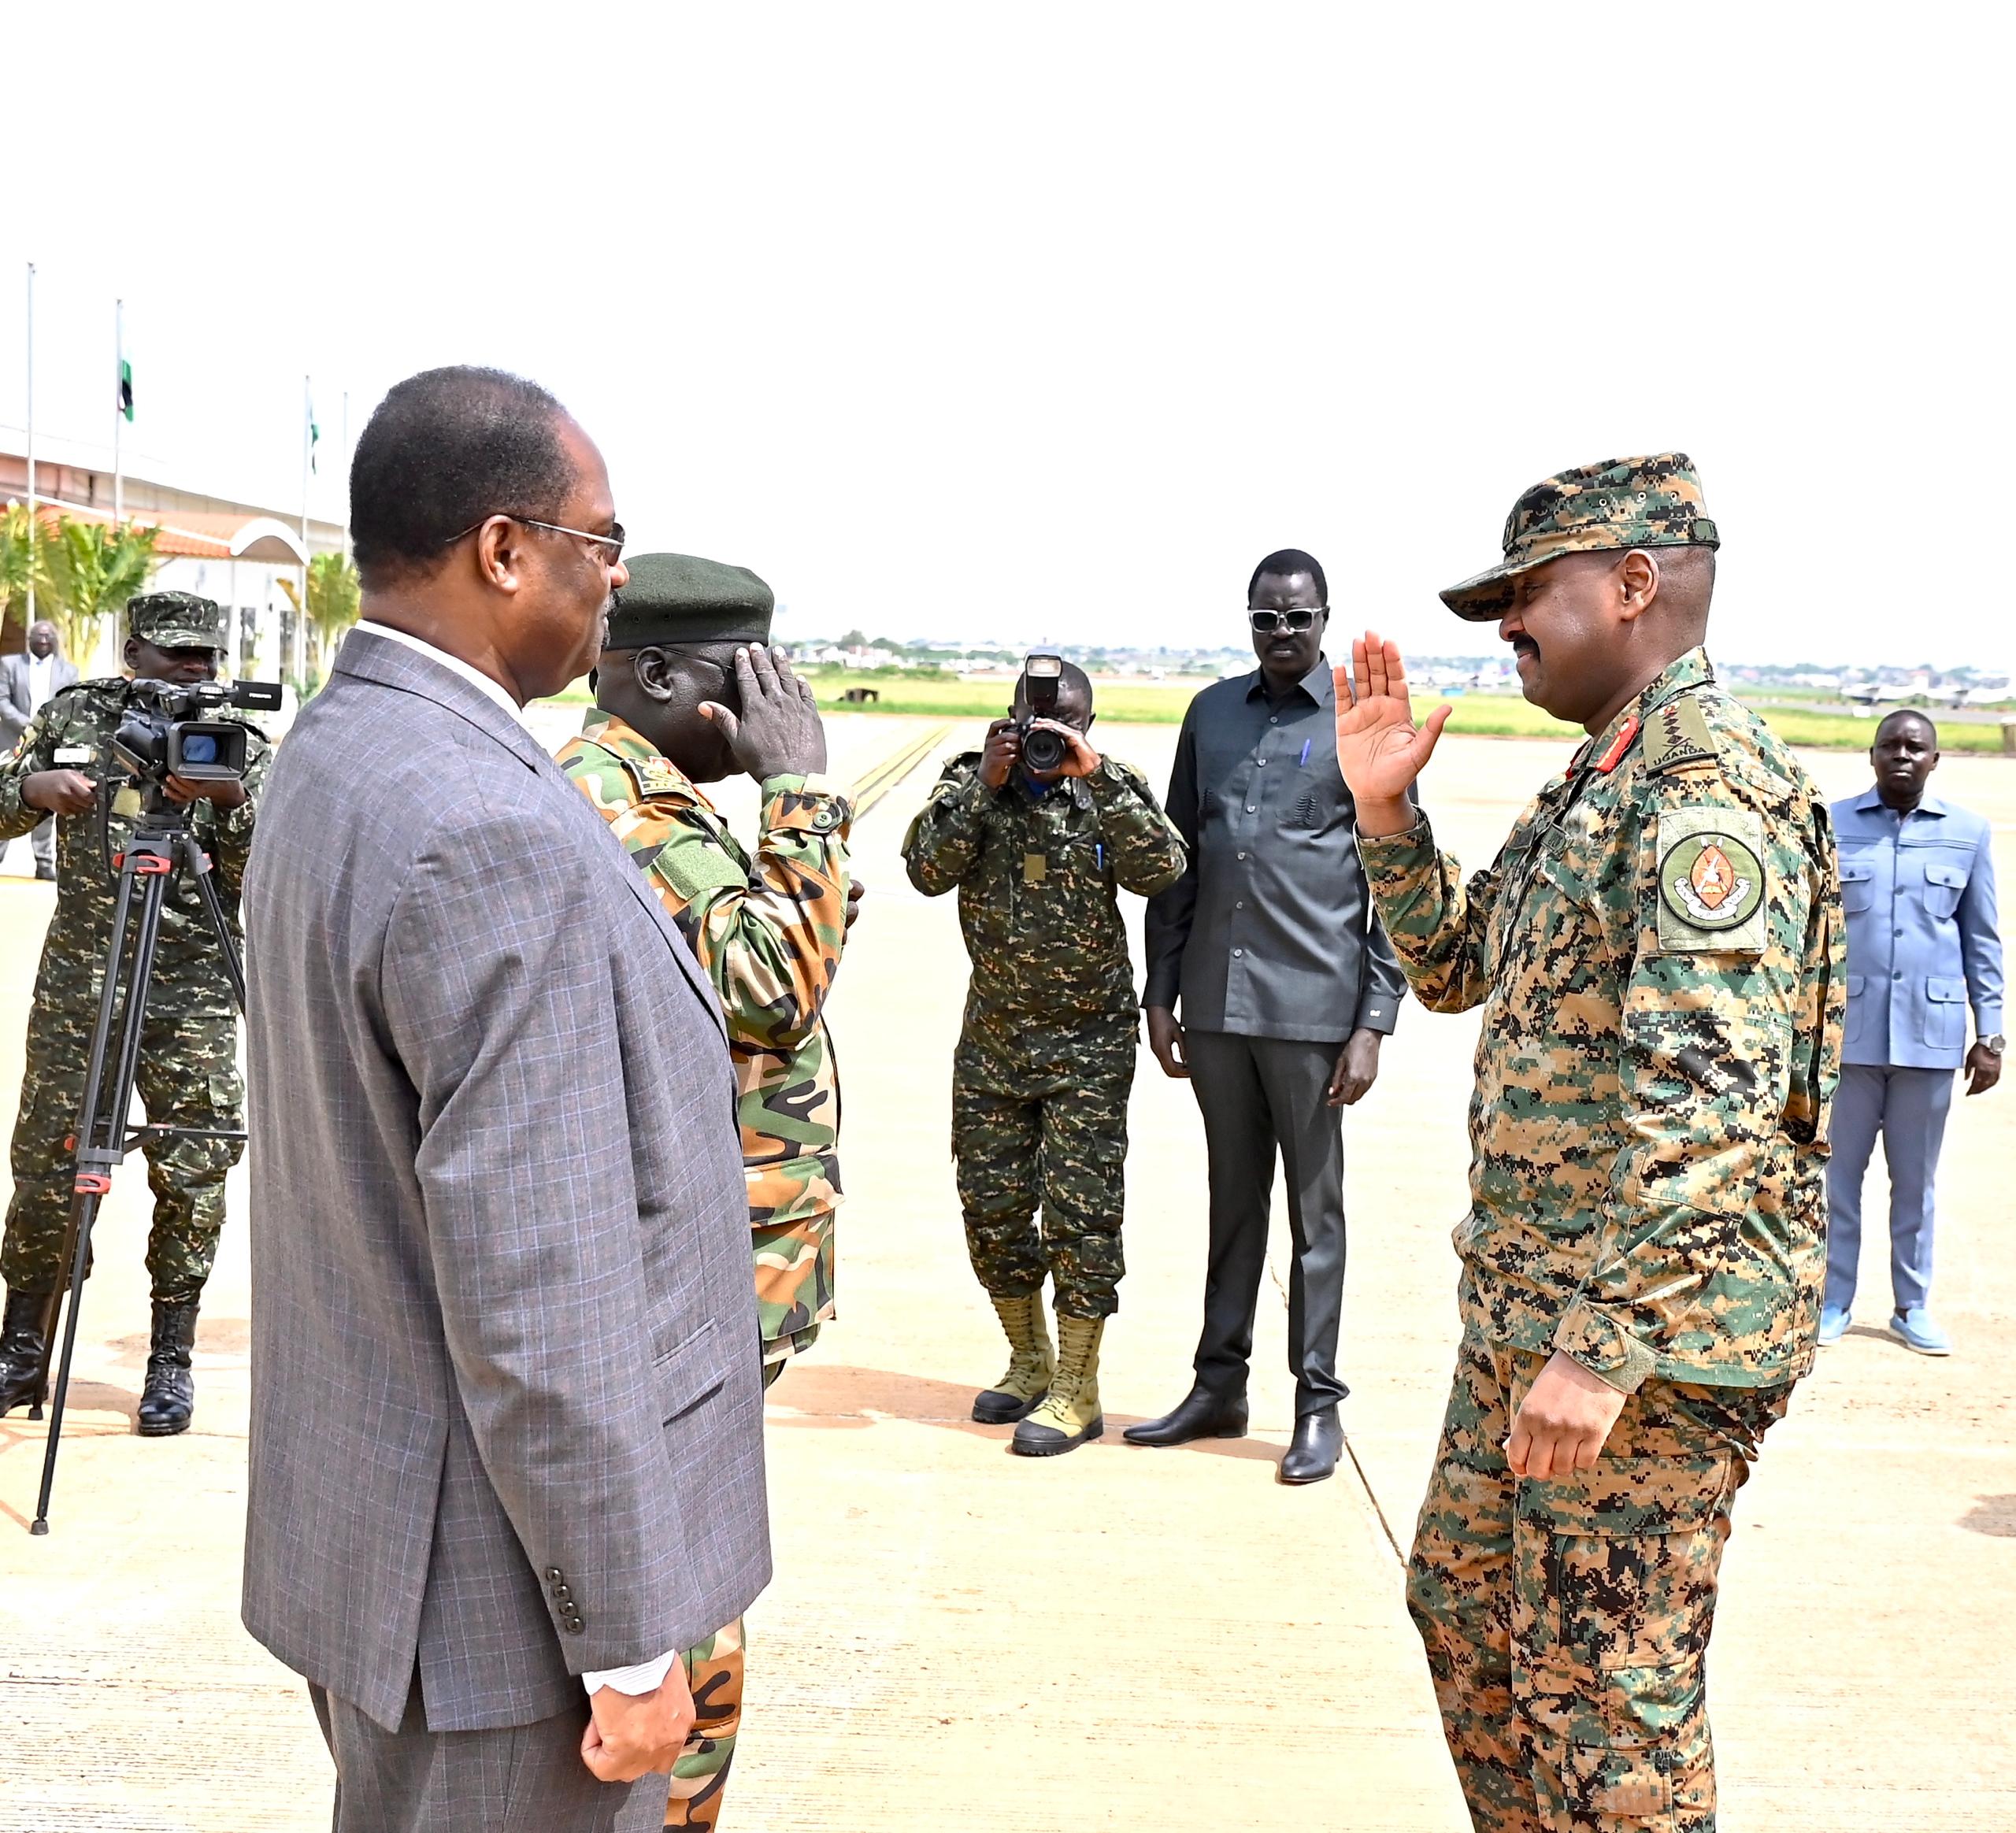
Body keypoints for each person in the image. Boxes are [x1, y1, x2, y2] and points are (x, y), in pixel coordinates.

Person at [240, 367, 769, 1833]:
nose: (611, 579)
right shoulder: (487, 825)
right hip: (497, 1617)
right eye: (599, 542)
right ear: (502, 549)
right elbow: (540, 1287)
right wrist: (627, 1642)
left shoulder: (342, 757)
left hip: (384, 1552)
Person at [1336, 454, 1843, 1831]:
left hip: (1643, 1347)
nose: (1504, 626)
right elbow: (1456, 963)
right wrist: (1387, 811)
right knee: (1467, 1613)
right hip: (1536, 1313)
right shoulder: (1597, 776)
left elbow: (1712, 1108)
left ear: (1634, 586)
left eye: (1525, 596)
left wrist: (1599, 1345)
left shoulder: (1704, 794)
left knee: (1609, 1706)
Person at [556, 552, 856, 1830]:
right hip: (677, 1307)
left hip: (709, 1295)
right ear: (665, 674)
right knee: (679, 1654)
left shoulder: (653, 796)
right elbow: (774, 985)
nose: (775, 699)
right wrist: (799, 787)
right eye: (753, 673)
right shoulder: (624, 805)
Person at [1129, 549, 1406, 1486]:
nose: (1281, 633)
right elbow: (1177, 861)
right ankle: (1218, 1387)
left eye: (1297, 618)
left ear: (1325, 618)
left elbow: (1396, 884)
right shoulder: (1210, 715)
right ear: (1247, 620)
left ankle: (1317, 1404)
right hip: (1215, 1003)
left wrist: (1372, 1021)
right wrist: (1160, 990)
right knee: (1229, 1203)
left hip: (1315, 1013)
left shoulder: (1358, 722)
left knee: (1314, 1218)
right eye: (1265, 619)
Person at [902, 661, 1186, 1455]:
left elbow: (1162, 869)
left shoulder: (1107, 786)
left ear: (1088, 728)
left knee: (1080, 1218)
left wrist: (1099, 781)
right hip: (995, 1039)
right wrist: (981, 787)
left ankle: (1079, 1387)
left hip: (1088, 1043)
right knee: (991, 1209)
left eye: (1071, 727)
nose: (1051, 742)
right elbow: (925, 872)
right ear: (1009, 723)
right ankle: (1030, 1360)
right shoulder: (971, 783)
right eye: (1039, 728)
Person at [0, 592, 265, 1435]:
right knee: (47, 1159)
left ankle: (171, 1358)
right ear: (133, 651)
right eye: (174, 653)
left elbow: (271, 870)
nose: (193, 670)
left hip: (190, 993)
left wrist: (227, 803)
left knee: (192, 1170)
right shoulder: (75, 714)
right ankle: (20, 1346)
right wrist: (34, 788)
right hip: (84, 983)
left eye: (204, 656)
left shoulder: (239, 745)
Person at [1823, 709, 2001, 1355]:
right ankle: (1833, 1300)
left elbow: (1983, 943)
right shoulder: (1833, 826)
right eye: (1890, 745)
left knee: (1915, 1184)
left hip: (1930, 1040)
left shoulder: (1968, 834)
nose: (1902, 755)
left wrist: (1993, 1034)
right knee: (1838, 1179)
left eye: (1915, 747)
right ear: (1871, 756)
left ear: (1934, 760)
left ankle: (1912, 1305)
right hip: (1849, 1038)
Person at [0, 619, 79, 879]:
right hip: (13, 741)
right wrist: (31, 725)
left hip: (51, 745)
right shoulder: (9, 665)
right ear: (29, 640)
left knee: (44, 799)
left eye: (48, 637)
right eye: (38, 636)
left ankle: (44, 862)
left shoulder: (69, 671)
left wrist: (46, 731)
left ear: (55, 640)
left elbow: (71, 704)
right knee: (6, 794)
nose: (43, 641)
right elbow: (2, 701)